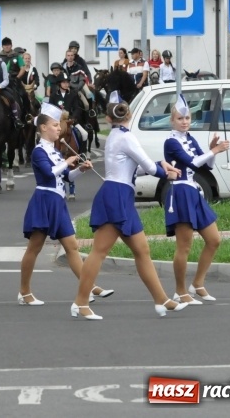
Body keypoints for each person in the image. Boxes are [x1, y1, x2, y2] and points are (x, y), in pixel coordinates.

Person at [72, 92, 186, 320]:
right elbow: (149, 168)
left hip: (121, 195)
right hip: (117, 196)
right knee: (100, 251)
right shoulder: (126, 137)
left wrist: (160, 165)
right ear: (130, 114)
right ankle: (80, 303)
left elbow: (134, 168)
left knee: (142, 250)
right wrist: (166, 172)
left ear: (108, 117)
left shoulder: (116, 136)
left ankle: (161, 299)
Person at [20, 102, 113, 305]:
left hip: (58, 202)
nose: (59, 128)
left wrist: (80, 169)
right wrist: (67, 161)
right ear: (43, 127)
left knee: (72, 247)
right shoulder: (39, 151)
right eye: (55, 125)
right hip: (44, 202)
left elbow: (66, 177)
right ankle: (24, 292)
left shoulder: (55, 151)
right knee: (34, 248)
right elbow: (48, 174)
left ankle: (89, 287)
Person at [164, 95, 230, 305]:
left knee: (214, 239)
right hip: (180, 192)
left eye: (187, 118)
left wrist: (212, 150)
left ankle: (198, 284)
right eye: (180, 118)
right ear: (172, 121)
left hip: (193, 191)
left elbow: (206, 165)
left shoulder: (190, 138)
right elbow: (192, 162)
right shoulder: (171, 142)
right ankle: (180, 291)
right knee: (184, 246)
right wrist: (214, 150)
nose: (184, 121)